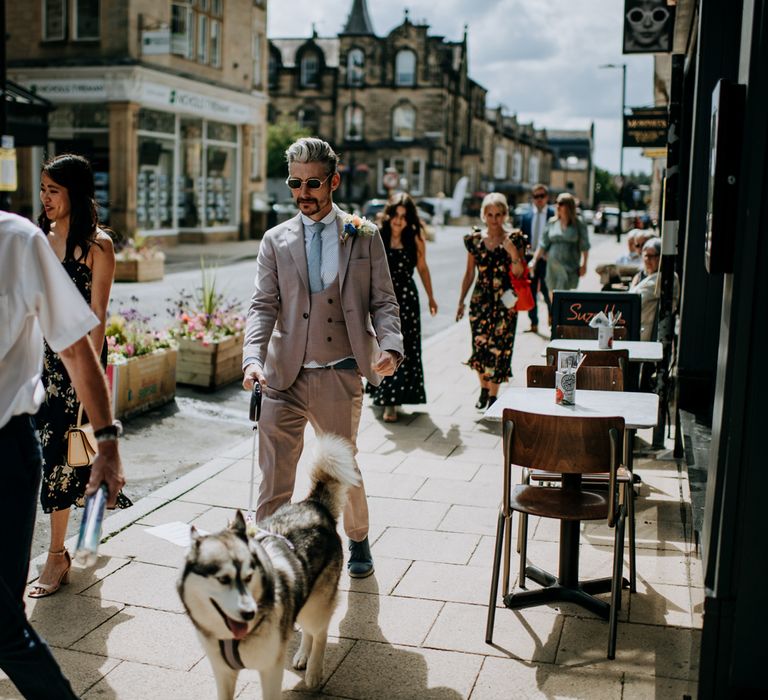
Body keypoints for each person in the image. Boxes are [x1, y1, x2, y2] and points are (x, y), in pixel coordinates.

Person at [242, 137, 403, 579]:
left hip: (339, 373)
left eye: (313, 182)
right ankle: (269, 557)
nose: (304, 192)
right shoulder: (275, 240)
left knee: (339, 469)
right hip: (282, 377)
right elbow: (262, 306)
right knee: (274, 474)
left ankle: (358, 536)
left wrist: (389, 346)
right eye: (296, 182)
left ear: (333, 181)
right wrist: (251, 359)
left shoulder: (363, 235)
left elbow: (385, 302)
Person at [0, 210, 126, 699]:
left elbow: (77, 348)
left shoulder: (18, 241)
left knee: (6, 622)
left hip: (5, 452)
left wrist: (107, 443)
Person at [30, 154, 131, 599]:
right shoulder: (36, 239)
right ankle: (90, 520)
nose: (45, 198)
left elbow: (97, 316)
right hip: (38, 361)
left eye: (53, 190)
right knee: (73, 451)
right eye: (43, 189)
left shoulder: (98, 246)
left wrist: (80, 376)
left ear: (75, 193)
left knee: (61, 454)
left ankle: (57, 554)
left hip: (78, 362)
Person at [368, 193, 437, 423]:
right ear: (388, 215)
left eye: (404, 217)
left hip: (406, 301)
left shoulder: (415, 238)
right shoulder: (377, 235)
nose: (399, 221)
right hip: (381, 301)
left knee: (402, 350)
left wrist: (431, 297)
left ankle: (393, 401)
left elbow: (424, 269)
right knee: (381, 345)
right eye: (396, 215)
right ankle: (385, 397)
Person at [456, 192, 526, 410]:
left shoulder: (514, 238)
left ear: (505, 215)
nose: (494, 219)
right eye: (490, 214)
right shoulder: (475, 240)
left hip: (505, 303)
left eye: (498, 214)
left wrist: (513, 253)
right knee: (480, 345)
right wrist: (461, 301)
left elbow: (520, 272)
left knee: (501, 347)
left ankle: (494, 397)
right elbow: (469, 273)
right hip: (480, 300)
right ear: (483, 215)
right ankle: (484, 388)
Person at [530, 192, 590, 300]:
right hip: (553, 266)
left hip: (570, 266)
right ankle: (553, 316)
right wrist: (534, 260)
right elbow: (543, 244)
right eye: (556, 202)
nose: (557, 206)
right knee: (553, 297)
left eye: (561, 203)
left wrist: (584, 265)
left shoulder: (578, 223)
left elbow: (585, 245)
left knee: (567, 298)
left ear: (569, 205)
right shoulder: (552, 222)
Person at [519, 183, 554, 333]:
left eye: (542, 196)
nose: (539, 199)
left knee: (547, 292)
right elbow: (520, 239)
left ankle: (553, 318)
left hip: (547, 260)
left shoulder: (553, 215)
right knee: (531, 292)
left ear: (547, 197)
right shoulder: (526, 216)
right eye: (536, 196)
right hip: (529, 258)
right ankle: (533, 323)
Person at [629, 237, 679, 341]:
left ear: (660, 258)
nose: (648, 260)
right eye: (646, 256)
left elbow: (636, 297)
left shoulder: (666, 277)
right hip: (637, 328)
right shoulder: (641, 276)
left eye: (652, 256)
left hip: (651, 335)